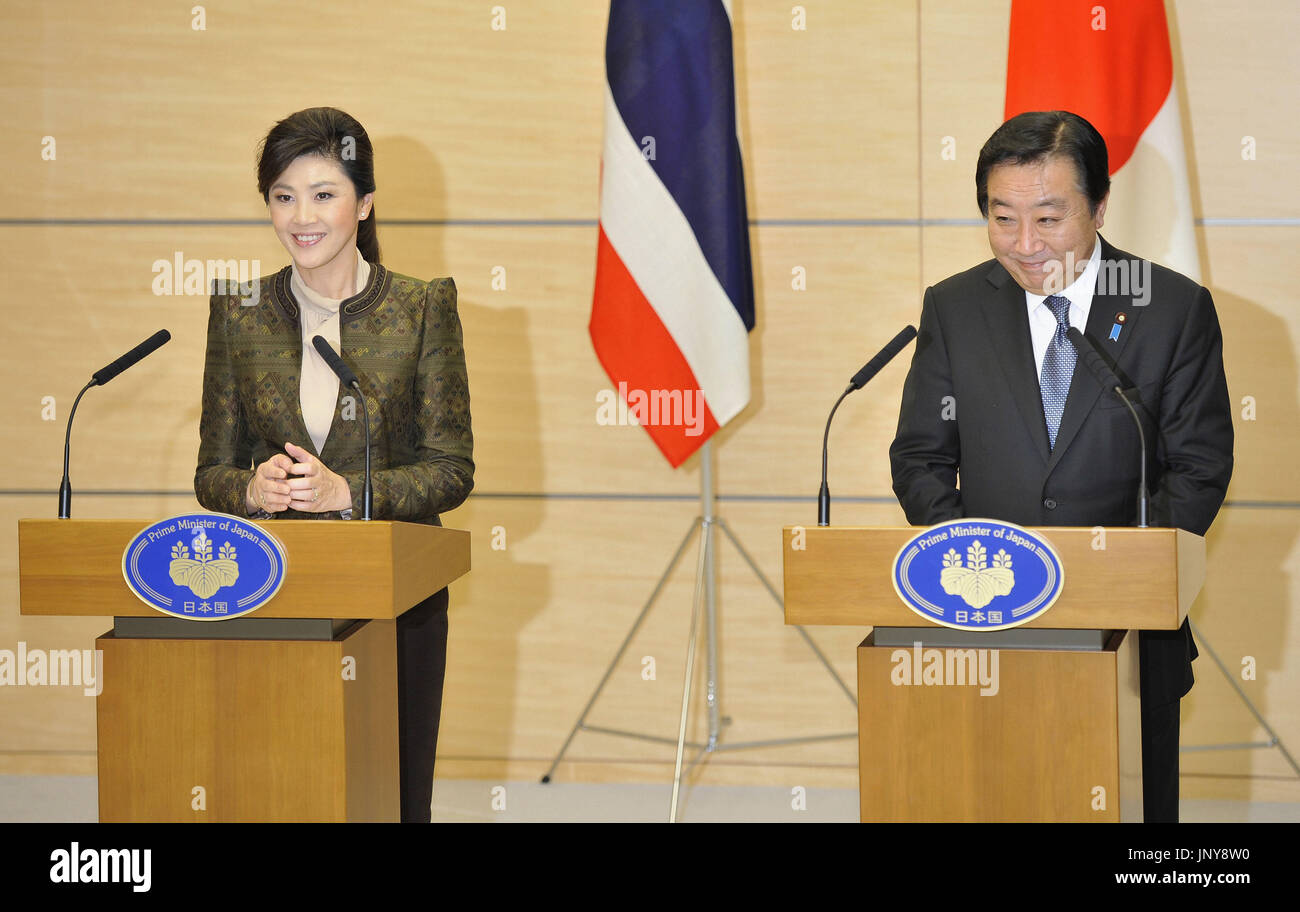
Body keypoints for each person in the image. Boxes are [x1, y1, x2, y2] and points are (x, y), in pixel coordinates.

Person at [889, 110, 1233, 822]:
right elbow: (921, 457)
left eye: (1049, 218)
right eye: (1002, 217)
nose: (1025, 245)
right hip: (985, 625)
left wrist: (1112, 576)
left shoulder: (1169, 308)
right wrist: (975, 566)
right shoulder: (955, 308)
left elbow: (1198, 467)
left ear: (1100, 206)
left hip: (1130, 632)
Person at [194, 107, 474, 822]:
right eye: (283, 196)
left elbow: (451, 468)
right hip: (277, 588)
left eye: (323, 194)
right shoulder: (240, 312)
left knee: (395, 793)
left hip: (397, 596)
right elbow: (212, 472)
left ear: (366, 203)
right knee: (285, 786)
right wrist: (251, 488)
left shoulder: (420, 308)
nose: (301, 216)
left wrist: (349, 492)